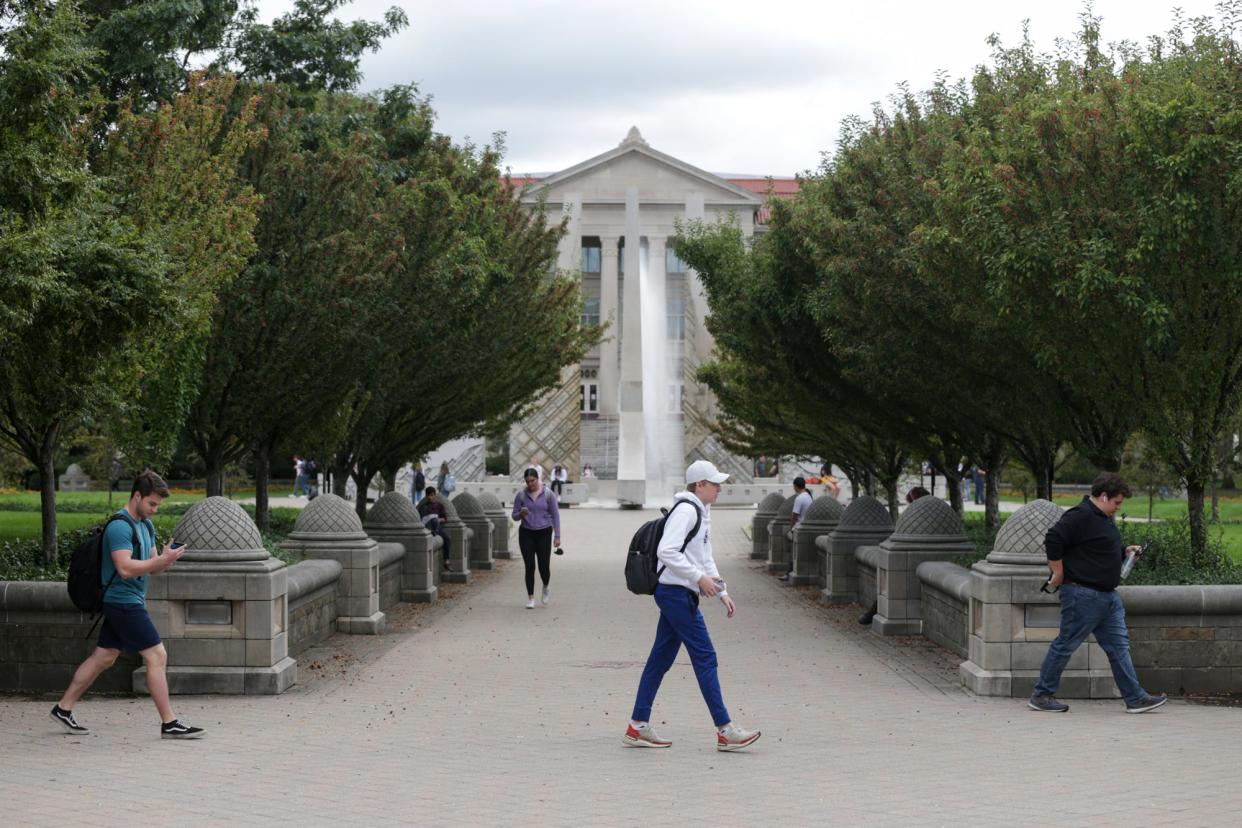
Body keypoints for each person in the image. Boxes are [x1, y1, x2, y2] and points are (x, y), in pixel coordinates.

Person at [50, 471, 204, 739]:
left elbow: (151, 567)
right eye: (151, 504)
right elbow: (124, 568)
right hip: (122, 603)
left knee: (104, 657)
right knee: (157, 656)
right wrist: (156, 563)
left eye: (157, 505)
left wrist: (165, 561)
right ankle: (170, 723)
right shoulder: (120, 526)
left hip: (129, 601)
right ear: (137, 496)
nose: (154, 510)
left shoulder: (146, 525)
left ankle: (63, 708)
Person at [623, 459, 760, 752]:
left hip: (678, 592)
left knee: (660, 659)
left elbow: (704, 557)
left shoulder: (700, 512)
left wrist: (722, 591)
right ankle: (725, 729)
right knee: (705, 656)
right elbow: (666, 551)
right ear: (700, 485)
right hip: (675, 593)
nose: (719, 488)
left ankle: (637, 725)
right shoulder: (686, 511)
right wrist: (699, 579)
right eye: (714, 484)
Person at [1029, 473, 1167, 714]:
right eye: (1117, 502)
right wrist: (1058, 573)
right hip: (1083, 594)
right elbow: (1053, 538)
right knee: (1066, 644)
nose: (1118, 507)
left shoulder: (1102, 517)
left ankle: (1135, 698)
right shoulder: (1080, 515)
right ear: (1103, 496)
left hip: (1108, 597)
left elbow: (1094, 547)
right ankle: (1041, 695)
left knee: (1119, 647)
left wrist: (1126, 551)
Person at [858, 486, 929, 625]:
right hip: (908, 555)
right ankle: (872, 613)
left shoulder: (920, 514)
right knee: (888, 586)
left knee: (891, 585)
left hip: (914, 557)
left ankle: (871, 614)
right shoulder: (916, 514)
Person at [511, 467, 561, 609]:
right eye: (527, 482)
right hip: (526, 533)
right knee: (529, 566)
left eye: (532, 481)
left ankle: (545, 586)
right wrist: (520, 514)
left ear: (537, 478)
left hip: (544, 533)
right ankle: (531, 598)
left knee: (543, 567)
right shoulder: (521, 495)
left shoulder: (548, 494)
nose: (530, 484)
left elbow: (555, 515)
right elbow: (514, 516)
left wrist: (557, 536)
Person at [778, 477, 813, 582]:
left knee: (792, 552)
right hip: (806, 527)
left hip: (798, 528)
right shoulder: (809, 497)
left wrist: (791, 527)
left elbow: (794, 515)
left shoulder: (799, 498)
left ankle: (789, 573)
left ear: (795, 486)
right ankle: (789, 573)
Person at [417, 486, 452, 571]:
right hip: (427, 527)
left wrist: (438, 519)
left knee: (447, 539)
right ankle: (433, 532)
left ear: (435, 495)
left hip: (437, 527)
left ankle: (446, 561)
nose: (430, 497)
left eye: (432, 495)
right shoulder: (422, 507)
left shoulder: (439, 506)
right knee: (431, 522)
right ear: (426, 496)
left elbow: (445, 518)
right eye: (428, 495)